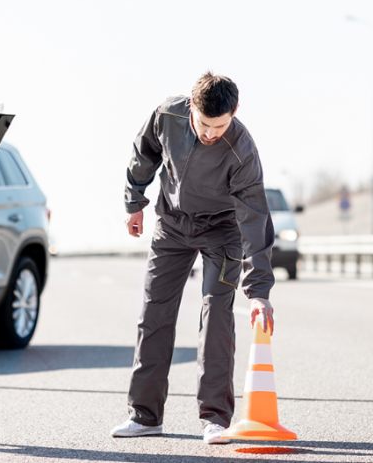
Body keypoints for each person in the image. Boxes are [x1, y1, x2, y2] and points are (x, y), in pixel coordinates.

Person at [110, 71, 278, 445]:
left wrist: (259, 291)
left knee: (216, 315)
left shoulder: (241, 149)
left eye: (218, 126)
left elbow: (254, 220)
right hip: (171, 224)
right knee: (154, 314)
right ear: (191, 105)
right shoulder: (167, 114)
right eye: (203, 124)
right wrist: (134, 203)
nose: (209, 133)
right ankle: (145, 416)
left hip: (222, 232)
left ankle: (215, 418)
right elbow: (144, 153)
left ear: (234, 112)